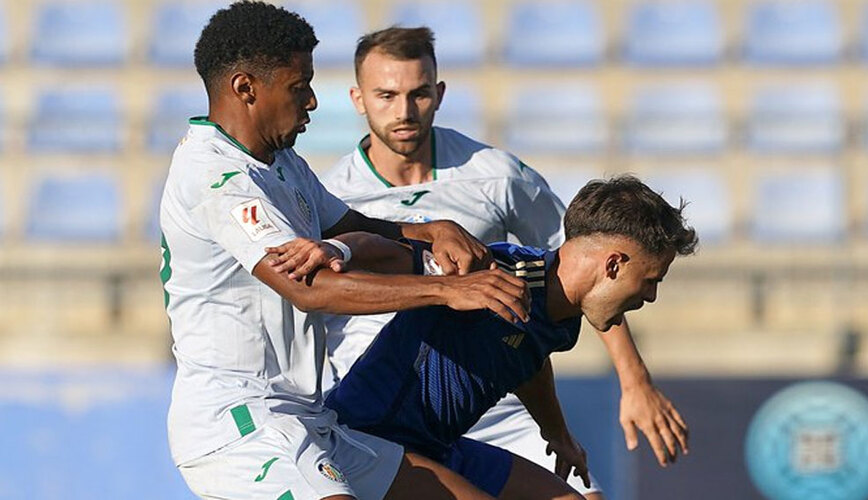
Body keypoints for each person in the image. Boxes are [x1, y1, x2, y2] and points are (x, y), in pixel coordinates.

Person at [160, 3, 534, 499]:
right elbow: (309, 290)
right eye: (300, 86)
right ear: (246, 88)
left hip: (308, 417)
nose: (313, 101)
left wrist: (433, 229)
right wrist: (447, 289)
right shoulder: (216, 177)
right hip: (239, 425)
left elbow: (358, 228)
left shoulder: (282, 164)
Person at [316, 26, 689, 498]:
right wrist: (342, 249)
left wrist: (630, 380)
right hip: (376, 415)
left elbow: (582, 277)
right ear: (357, 98)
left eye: (419, 94)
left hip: (488, 403)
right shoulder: (330, 197)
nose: (405, 111)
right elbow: (366, 260)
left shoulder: (496, 176)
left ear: (440, 93)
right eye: (387, 95)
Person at [269, 175, 698, 498]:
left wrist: (557, 434)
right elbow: (390, 252)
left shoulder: (562, 318)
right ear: (614, 265)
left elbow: (526, 360)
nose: (652, 295)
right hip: (367, 440)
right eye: (650, 280)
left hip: (437, 447)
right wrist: (338, 250)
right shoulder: (490, 271)